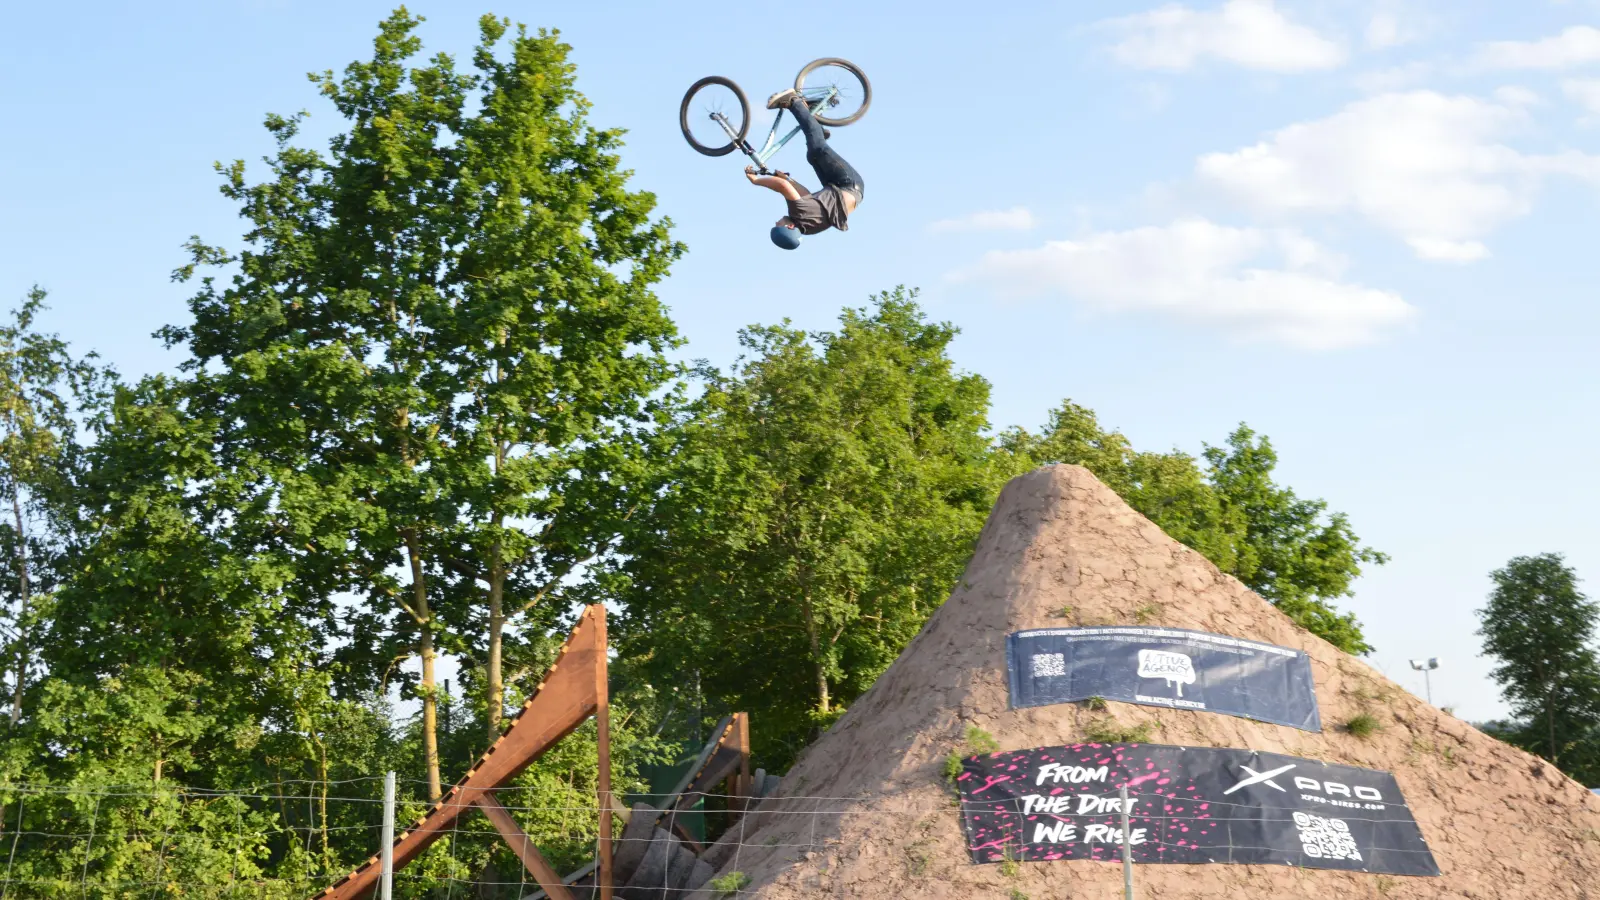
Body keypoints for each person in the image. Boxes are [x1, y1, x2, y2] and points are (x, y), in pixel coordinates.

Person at [745, 88, 865, 249]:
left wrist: (788, 179)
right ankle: (793, 101)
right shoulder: (798, 215)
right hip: (847, 183)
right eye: (777, 225)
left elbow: (806, 196)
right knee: (818, 148)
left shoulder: (807, 227)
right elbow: (782, 187)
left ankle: (811, 119)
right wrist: (756, 181)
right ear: (789, 227)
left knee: (812, 156)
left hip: (836, 188)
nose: (776, 221)